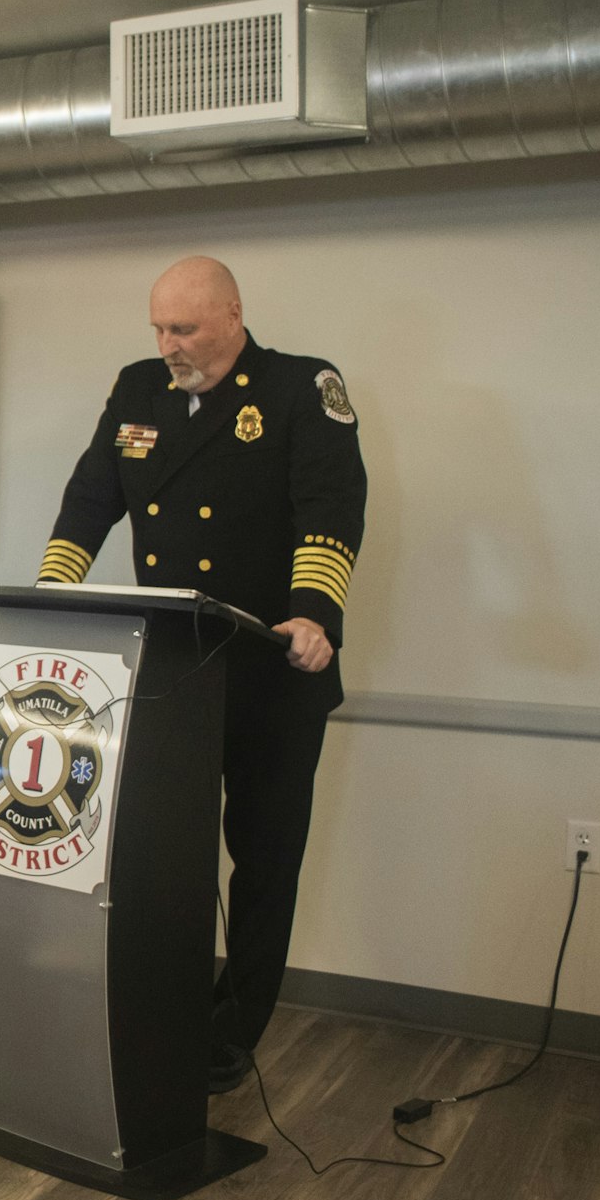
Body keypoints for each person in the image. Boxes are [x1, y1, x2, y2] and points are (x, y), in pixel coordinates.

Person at [35, 257, 366, 1091]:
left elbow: (330, 506)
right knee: (162, 853)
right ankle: (163, 1003)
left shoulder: (300, 387)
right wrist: (49, 591)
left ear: (232, 315)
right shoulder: (139, 388)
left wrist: (315, 614)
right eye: (158, 328)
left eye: (183, 328)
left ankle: (234, 1027)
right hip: (177, 668)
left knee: (262, 861)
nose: (167, 343)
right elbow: (90, 497)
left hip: (271, 670)